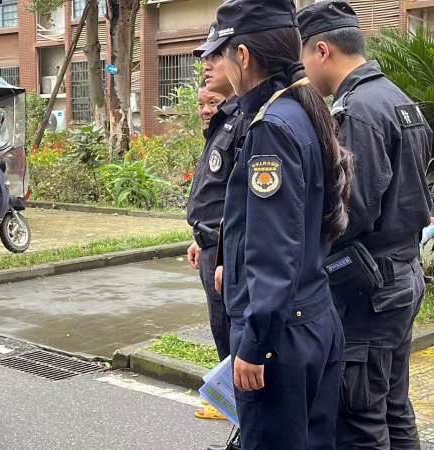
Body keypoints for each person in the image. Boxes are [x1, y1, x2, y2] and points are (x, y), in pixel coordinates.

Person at [204, 0, 355, 447]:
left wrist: (255, 344)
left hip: (281, 338)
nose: (218, 65)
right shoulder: (303, 108)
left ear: (244, 56)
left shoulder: (271, 125)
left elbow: (274, 246)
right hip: (313, 318)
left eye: (221, 53)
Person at [298, 3, 433, 448]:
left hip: (369, 291)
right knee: (394, 408)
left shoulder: (357, 110)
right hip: (402, 275)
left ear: (322, 50)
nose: (303, 70)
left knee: (359, 419)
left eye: (302, 58)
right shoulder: (397, 98)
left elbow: (351, 212)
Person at [186, 20, 248, 423]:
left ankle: (239, 409)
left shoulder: (247, 117)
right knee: (221, 328)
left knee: (234, 332)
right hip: (213, 245)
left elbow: (242, 199)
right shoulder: (223, 122)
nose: (207, 64)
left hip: (230, 251)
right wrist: (203, 238)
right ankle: (233, 407)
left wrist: (224, 249)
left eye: (215, 55)